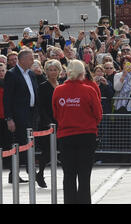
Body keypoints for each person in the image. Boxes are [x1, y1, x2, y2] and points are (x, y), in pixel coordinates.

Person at [52, 59, 102, 204]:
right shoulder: (89, 90)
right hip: (87, 135)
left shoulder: (58, 90)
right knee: (84, 174)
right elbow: (98, 114)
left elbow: (56, 113)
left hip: (66, 136)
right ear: (82, 73)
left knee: (68, 174)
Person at [3, 48, 39, 183]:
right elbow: (7, 98)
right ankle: (15, 173)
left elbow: (35, 93)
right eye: (30, 58)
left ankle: (30, 171)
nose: (33, 61)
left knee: (30, 144)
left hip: (31, 114)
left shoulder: (31, 74)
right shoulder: (12, 74)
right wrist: (9, 118)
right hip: (18, 116)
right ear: (22, 59)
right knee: (20, 145)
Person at [36, 59, 62, 188]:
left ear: (59, 71)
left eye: (55, 70)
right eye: (50, 70)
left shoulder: (62, 85)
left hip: (62, 122)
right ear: (46, 71)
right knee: (47, 151)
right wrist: (48, 121)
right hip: (47, 123)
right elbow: (40, 106)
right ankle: (40, 174)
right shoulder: (43, 86)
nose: (52, 72)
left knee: (62, 149)